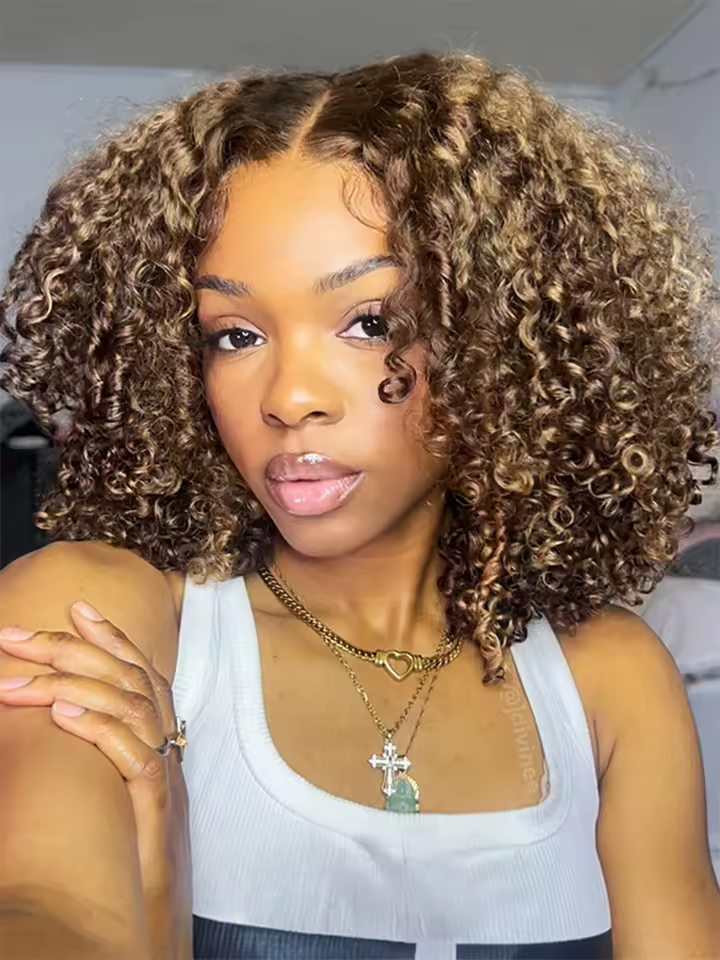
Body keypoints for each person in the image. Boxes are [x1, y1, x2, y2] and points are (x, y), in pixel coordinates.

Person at [0, 51, 719, 960]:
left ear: (497, 341)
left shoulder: (610, 681)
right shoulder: (101, 617)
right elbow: (42, 908)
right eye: (236, 335)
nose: (289, 397)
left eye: (370, 323)